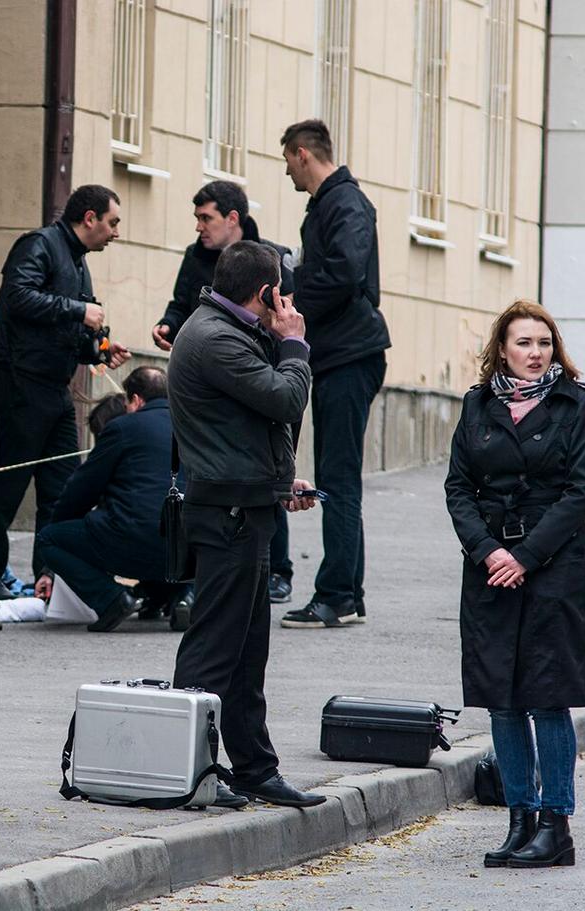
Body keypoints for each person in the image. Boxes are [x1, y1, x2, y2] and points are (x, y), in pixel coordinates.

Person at [168, 240, 325, 810]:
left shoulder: (228, 329)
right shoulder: (216, 338)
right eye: (280, 290)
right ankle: (189, 773)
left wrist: (281, 485)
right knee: (215, 651)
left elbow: (252, 424)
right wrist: (295, 345)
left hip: (243, 503)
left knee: (245, 652)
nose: (284, 300)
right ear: (265, 292)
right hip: (227, 513)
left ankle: (253, 769)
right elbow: (285, 399)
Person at [444, 300, 585, 869]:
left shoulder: (574, 403)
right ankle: (520, 819)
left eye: (543, 343)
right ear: (501, 349)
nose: (535, 355)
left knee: (547, 697)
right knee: (501, 700)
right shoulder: (477, 405)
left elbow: (581, 491)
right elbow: (458, 487)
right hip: (489, 564)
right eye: (523, 344)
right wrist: (487, 550)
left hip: (551, 565)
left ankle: (556, 827)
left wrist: (526, 556)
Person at [0, 185, 132, 603]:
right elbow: (19, 298)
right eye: (112, 223)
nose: (115, 233)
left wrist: (99, 350)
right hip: (22, 383)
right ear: (90, 218)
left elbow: (67, 332)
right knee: (9, 484)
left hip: (56, 388)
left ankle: (51, 575)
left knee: (61, 490)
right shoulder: (39, 245)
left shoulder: (78, 262)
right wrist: (79, 311)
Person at [151, 180, 301, 606]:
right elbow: (184, 303)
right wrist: (168, 323)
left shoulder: (270, 260)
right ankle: (203, 579)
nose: (200, 228)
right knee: (236, 475)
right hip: (215, 374)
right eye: (197, 219)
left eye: (206, 218)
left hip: (251, 371)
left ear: (232, 219)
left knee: (268, 468)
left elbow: (279, 322)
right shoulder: (197, 261)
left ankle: (276, 569)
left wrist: (287, 344)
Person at [277, 119, 390, 629]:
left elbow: (344, 272)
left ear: (302, 154)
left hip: (350, 353)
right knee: (339, 475)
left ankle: (337, 594)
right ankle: (349, 590)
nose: (287, 173)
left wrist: (295, 297)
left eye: (287, 161)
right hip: (342, 352)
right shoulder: (332, 204)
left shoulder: (345, 203)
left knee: (338, 479)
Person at [33, 367, 179, 631]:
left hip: (132, 540)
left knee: (50, 538)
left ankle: (112, 599)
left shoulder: (124, 427)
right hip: (191, 545)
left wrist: (51, 564)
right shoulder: (197, 426)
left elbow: (80, 490)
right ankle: (184, 596)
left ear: (135, 400)